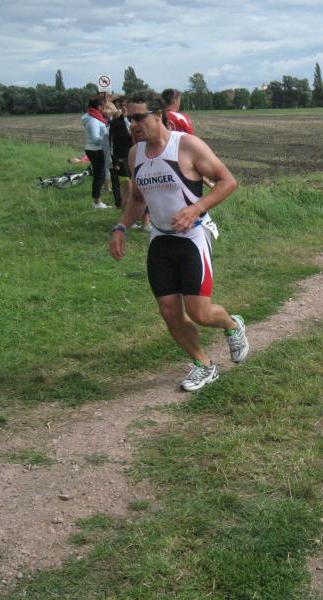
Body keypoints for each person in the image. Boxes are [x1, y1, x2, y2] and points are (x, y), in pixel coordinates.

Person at [109, 91, 249, 392]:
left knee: (200, 313)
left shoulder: (186, 146)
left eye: (138, 117)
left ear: (158, 115)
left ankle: (231, 324)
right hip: (160, 238)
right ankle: (203, 365)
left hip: (193, 237)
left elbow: (227, 181)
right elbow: (137, 199)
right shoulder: (135, 154)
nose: (133, 124)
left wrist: (197, 208)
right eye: (129, 118)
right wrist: (120, 227)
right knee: (169, 311)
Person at [81, 98, 110, 209]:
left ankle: (97, 200)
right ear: (98, 106)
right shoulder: (93, 120)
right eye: (102, 106)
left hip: (95, 149)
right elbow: (95, 139)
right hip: (96, 150)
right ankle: (97, 202)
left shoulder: (93, 117)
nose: (104, 108)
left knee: (100, 175)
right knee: (99, 176)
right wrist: (108, 135)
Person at [108, 97, 133, 210]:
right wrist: (115, 160)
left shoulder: (137, 120)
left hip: (137, 158)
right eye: (122, 106)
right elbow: (111, 143)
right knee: (127, 188)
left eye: (126, 105)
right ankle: (125, 214)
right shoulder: (115, 123)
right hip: (122, 159)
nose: (124, 108)